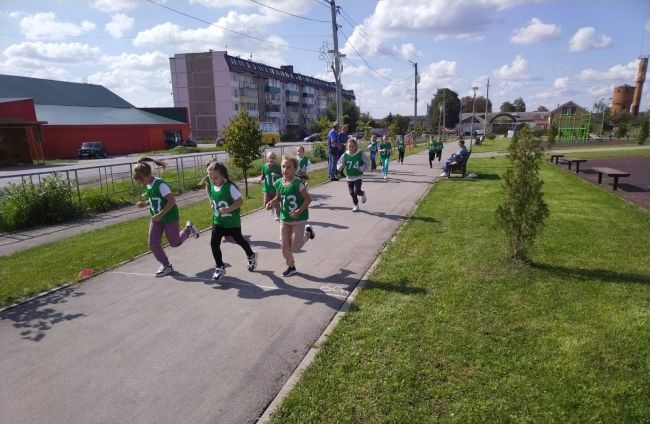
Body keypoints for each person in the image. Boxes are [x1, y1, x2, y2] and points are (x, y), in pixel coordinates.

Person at [133, 157, 199, 277]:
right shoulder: (148, 184)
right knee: (153, 243)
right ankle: (166, 265)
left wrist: (160, 215)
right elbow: (155, 199)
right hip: (156, 219)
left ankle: (189, 228)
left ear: (147, 175)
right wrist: (145, 204)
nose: (141, 183)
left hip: (169, 218)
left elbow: (171, 200)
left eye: (141, 180)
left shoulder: (160, 184)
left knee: (174, 243)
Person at [206, 161, 257, 281]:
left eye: (215, 177)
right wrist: (211, 202)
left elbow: (240, 202)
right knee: (214, 243)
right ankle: (220, 267)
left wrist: (228, 209)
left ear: (222, 175)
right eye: (210, 177)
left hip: (232, 223)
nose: (212, 180)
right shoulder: (212, 185)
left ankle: (251, 255)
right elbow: (210, 193)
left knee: (240, 241)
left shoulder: (229, 187)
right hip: (218, 221)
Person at [265, 156, 315, 277]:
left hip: (299, 219)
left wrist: (298, 211)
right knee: (284, 245)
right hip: (285, 219)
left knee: (295, 246)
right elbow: (278, 198)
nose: (285, 169)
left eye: (288, 167)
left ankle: (308, 233)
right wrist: (271, 203)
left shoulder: (298, 184)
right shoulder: (278, 183)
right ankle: (291, 267)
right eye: (283, 166)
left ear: (294, 169)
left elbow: (308, 199)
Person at [337, 138, 368, 212]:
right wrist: (340, 167)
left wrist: (362, 168)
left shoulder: (360, 153)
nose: (351, 148)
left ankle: (362, 193)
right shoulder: (345, 155)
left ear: (356, 146)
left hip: (358, 176)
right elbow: (339, 164)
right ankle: (356, 205)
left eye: (353, 146)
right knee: (352, 193)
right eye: (349, 146)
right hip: (349, 177)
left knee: (356, 191)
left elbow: (366, 162)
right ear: (347, 146)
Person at [259, 151, 281, 220]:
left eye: (273, 157)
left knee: (276, 203)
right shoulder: (264, 167)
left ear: (276, 159)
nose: (272, 159)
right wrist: (260, 179)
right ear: (267, 159)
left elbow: (282, 177)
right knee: (266, 204)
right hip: (267, 189)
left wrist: (276, 175)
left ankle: (278, 216)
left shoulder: (278, 167)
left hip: (275, 189)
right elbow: (263, 174)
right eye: (270, 157)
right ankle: (271, 208)